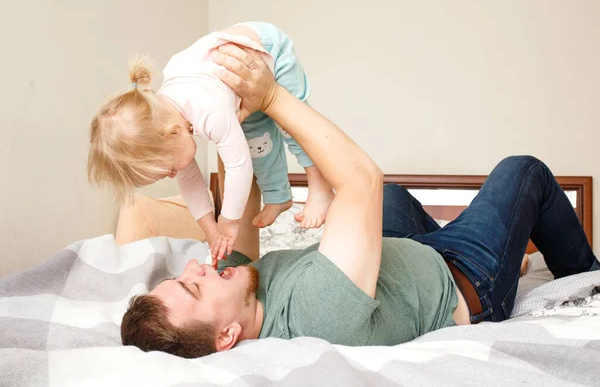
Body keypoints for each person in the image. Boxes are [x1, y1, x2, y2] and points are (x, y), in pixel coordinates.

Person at [120, 43, 600, 359]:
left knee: (390, 202)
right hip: (464, 277)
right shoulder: (313, 314)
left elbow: (239, 205)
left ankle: (509, 251)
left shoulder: (240, 291)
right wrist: (270, 97)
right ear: (227, 337)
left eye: (181, 275)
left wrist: (219, 118)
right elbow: (361, 180)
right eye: (194, 288)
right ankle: (587, 278)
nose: (194, 268)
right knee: (523, 170)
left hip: (400, 263)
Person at [87, 22, 334, 261]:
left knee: (293, 125)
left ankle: (320, 187)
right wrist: (211, 230)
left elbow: (239, 167)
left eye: (168, 170)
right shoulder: (168, 121)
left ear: (173, 133)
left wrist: (228, 221)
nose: (174, 175)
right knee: (258, 142)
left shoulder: (208, 112)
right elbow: (191, 183)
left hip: (268, 51)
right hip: (232, 88)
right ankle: (278, 196)